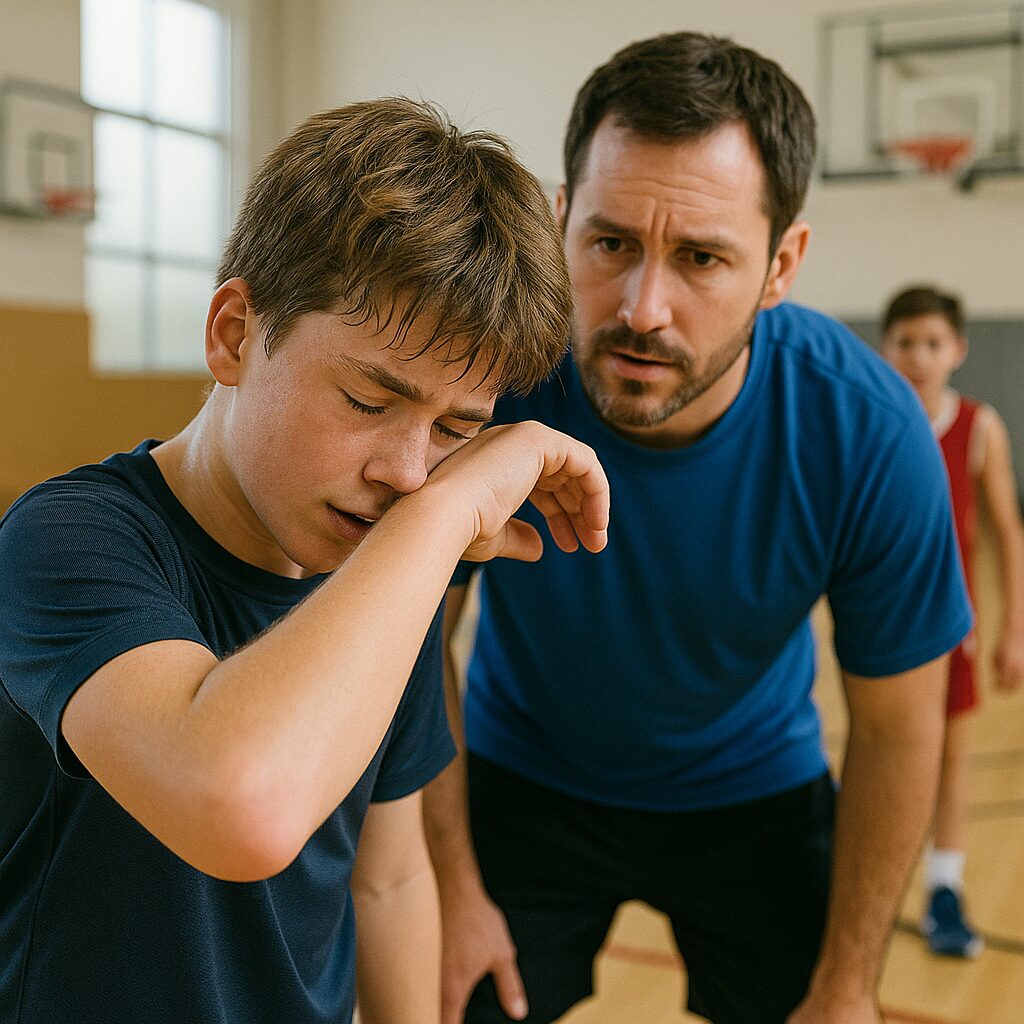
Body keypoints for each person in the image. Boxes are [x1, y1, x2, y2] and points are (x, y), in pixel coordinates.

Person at [0, 97, 611, 1024]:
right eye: (369, 401)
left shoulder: (389, 565)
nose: (408, 473)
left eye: (456, 431)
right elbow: (238, 806)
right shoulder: (65, 539)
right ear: (235, 334)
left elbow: (389, 879)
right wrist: (448, 510)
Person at [423, 32, 972, 1024]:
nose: (642, 308)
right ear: (560, 219)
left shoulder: (870, 433)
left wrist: (847, 986)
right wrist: (451, 887)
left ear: (781, 264)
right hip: (520, 774)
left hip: (753, 792)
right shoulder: (490, 382)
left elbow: (899, 730)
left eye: (701, 258)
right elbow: (415, 640)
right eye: (610, 244)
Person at [881, 285, 1024, 959]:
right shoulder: (874, 418)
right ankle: (868, 883)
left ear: (958, 350)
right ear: (885, 348)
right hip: (882, 624)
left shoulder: (979, 427)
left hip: (952, 625)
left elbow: (1007, 531)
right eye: (905, 342)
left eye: (932, 343)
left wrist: (1014, 628)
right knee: (884, 755)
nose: (918, 355)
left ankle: (945, 887)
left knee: (952, 758)